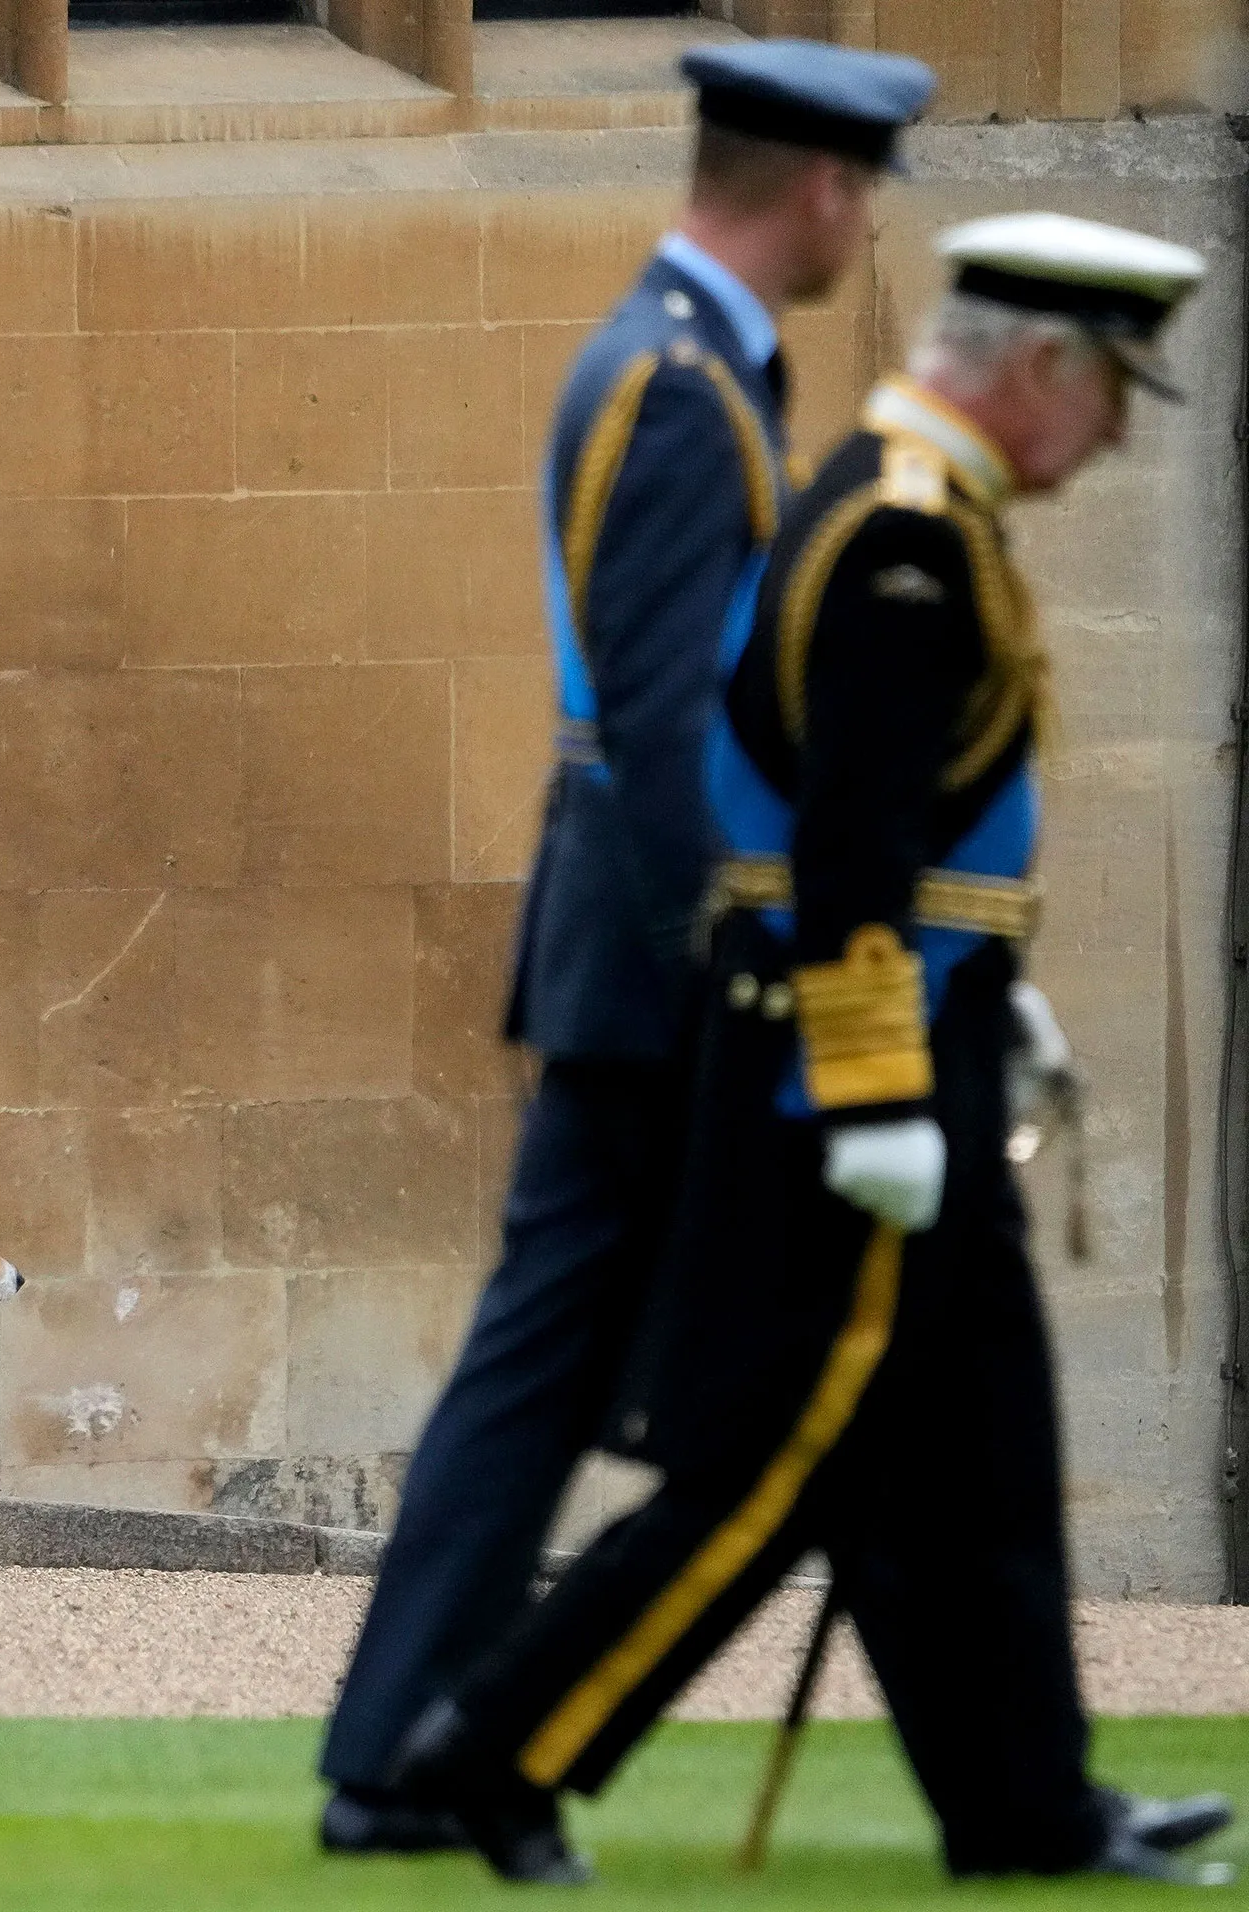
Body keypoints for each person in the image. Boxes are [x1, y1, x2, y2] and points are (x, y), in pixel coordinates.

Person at [391, 215, 1236, 1888]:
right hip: (844, 1077)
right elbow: (844, 835)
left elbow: (908, 831)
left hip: (911, 1031)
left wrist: (990, 983)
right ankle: (489, 1755)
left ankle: (1027, 1809)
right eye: (1112, 390)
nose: (1120, 432)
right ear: (1043, 367)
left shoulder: (907, 506)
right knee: (768, 1470)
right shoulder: (904, 536)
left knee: (973, 1458)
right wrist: (879, 1084)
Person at [318, 41, 934, 1876]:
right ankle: (437, 1753)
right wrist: (760, 968)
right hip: (666, 962)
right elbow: (668, 734)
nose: (864, 219)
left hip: (639, 950)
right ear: (817, 186)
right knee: (678, 1374)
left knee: (567, 1366)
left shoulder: (689, 359)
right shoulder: (678, 385)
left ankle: (408, 1749)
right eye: (864, 186)